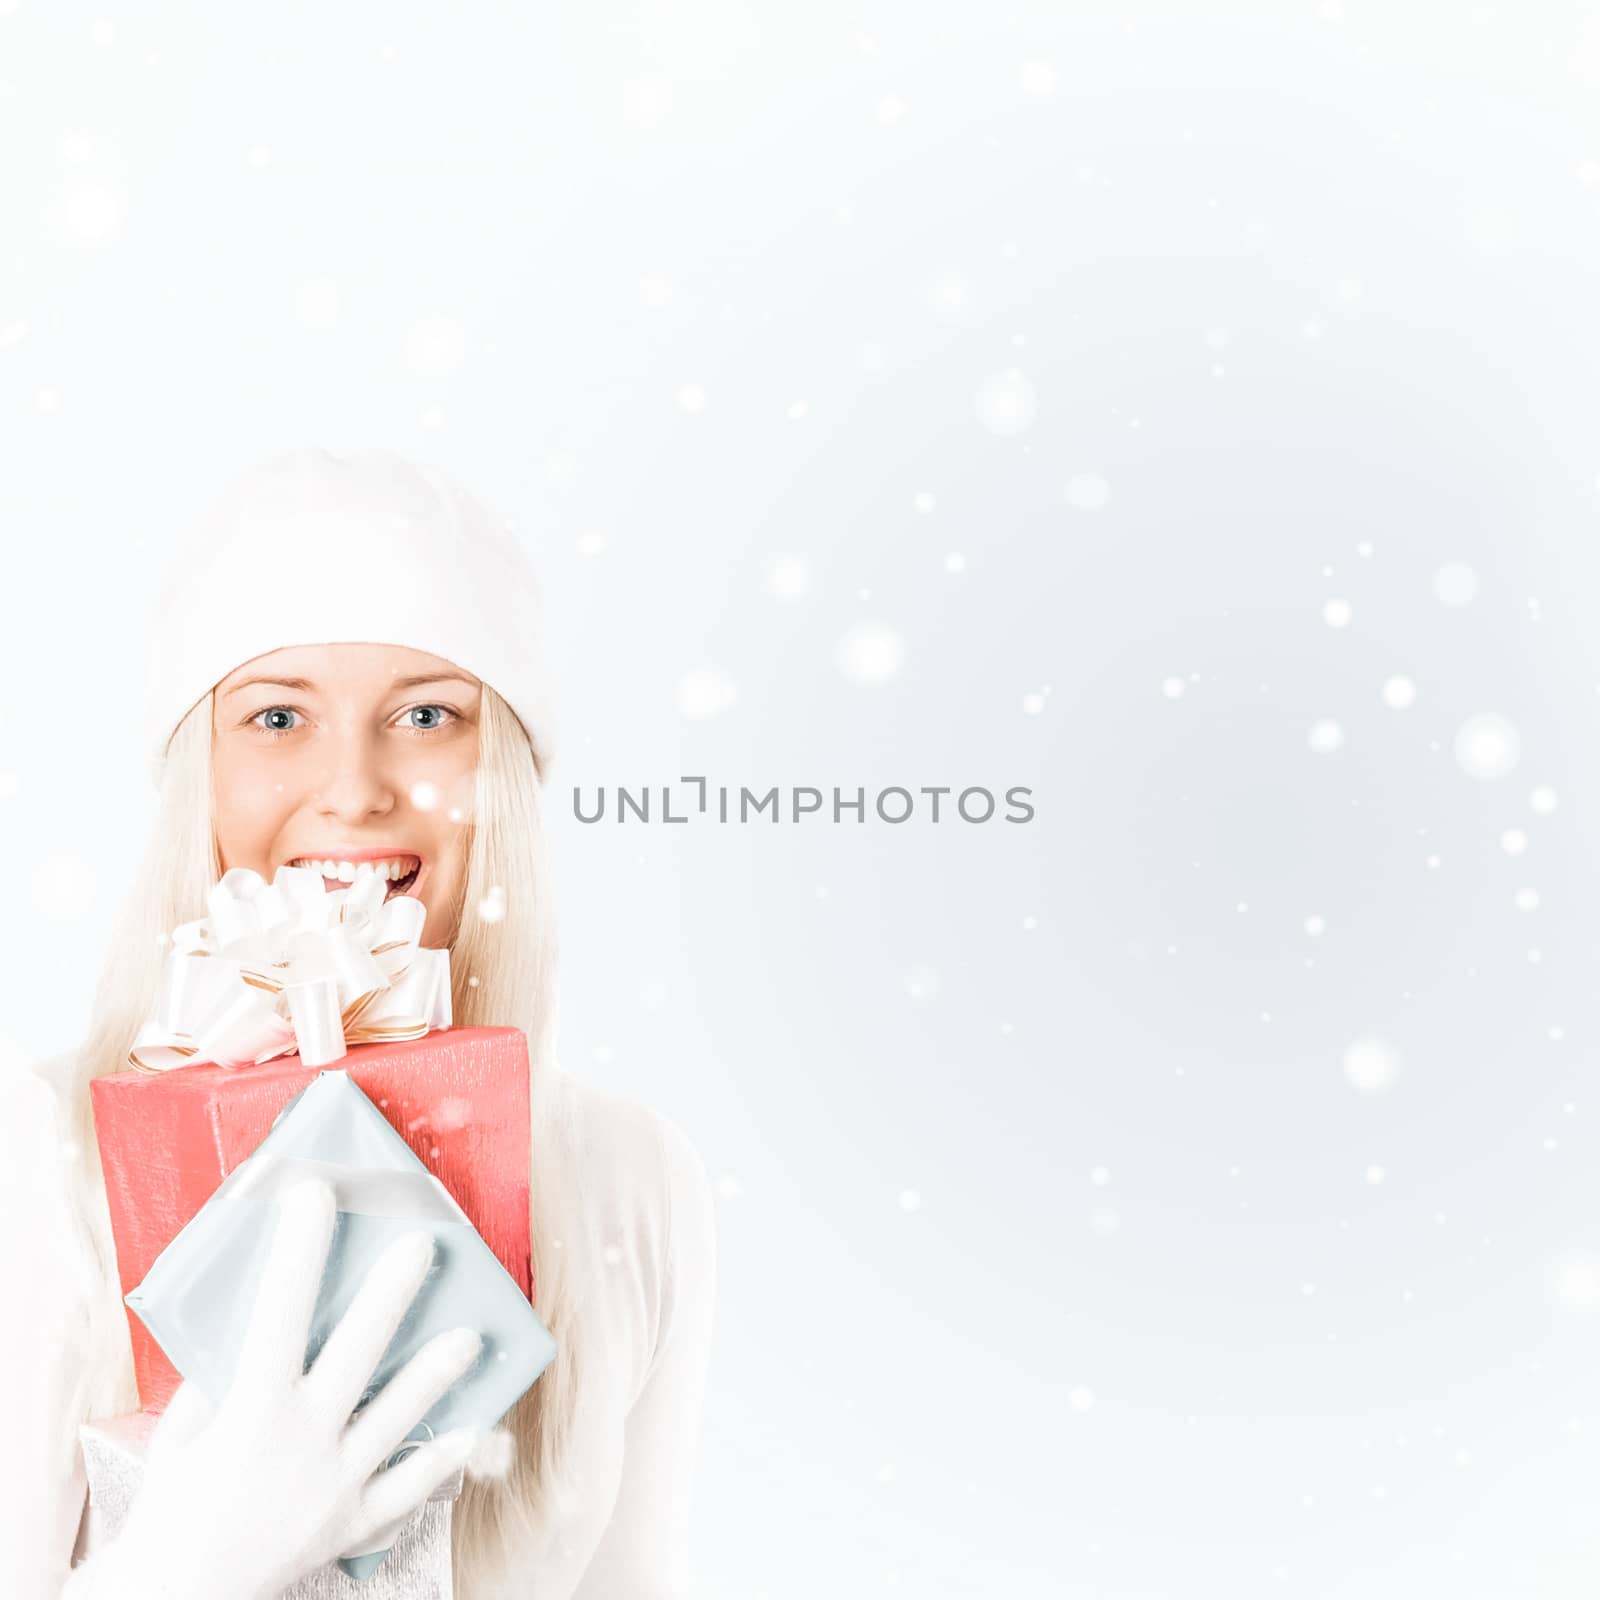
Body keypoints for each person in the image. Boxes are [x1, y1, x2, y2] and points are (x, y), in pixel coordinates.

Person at [4, 446, 718, 1599]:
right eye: (277, 716)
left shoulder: (627, 1176)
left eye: (427, 714)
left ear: (505, 771)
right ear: (199, 772)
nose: (354, 789)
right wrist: (187, 1567)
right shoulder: (30, 1158)